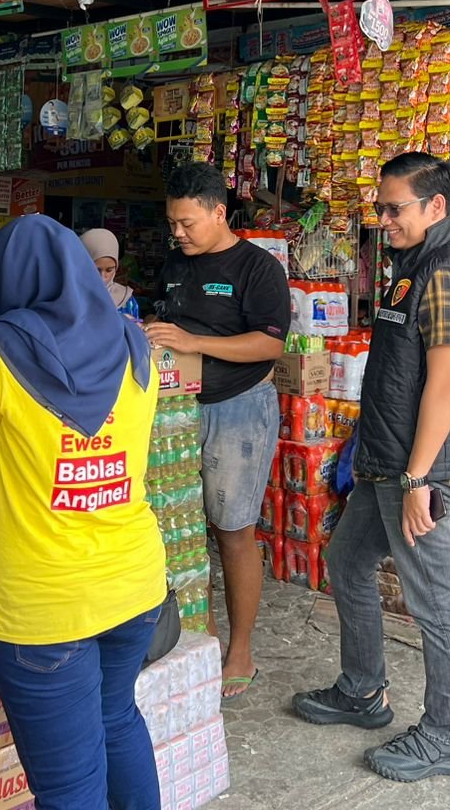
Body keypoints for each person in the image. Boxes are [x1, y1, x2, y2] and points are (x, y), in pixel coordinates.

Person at [0, 214, 165, 810]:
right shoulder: (134, 339)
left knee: (69, 788)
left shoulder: (5, 345)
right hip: (133, 581)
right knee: (118, 720)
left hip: (42, 600)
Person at [293, 152, 450, 783]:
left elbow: (448, 383)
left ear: (436, 207)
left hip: (417, 470)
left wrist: (418, 479)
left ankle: (445, 736)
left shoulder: (446, 274)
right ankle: (363, 690)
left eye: (394, 208)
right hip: (386, 458)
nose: (383, 219)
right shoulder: (411, 266)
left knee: (435, 602)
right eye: (380, 208)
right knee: (348, 561)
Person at [144, 162, 289, 700]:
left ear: (219, 213)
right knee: (177, 530)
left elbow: (269, 344)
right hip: (176, 412)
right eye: (172, 223)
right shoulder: (173, 264)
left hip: (239, 409)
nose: (178, 233)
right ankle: (193, 639)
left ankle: (241, 650)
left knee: (232, 529)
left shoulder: (258, 267)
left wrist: (194, 342)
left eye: (187, 223)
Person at [81, 227, 140, 319]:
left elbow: (135, 326)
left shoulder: (126, 301)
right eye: (96, 270)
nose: (102, 278)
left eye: (109, 270)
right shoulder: (68, 298)